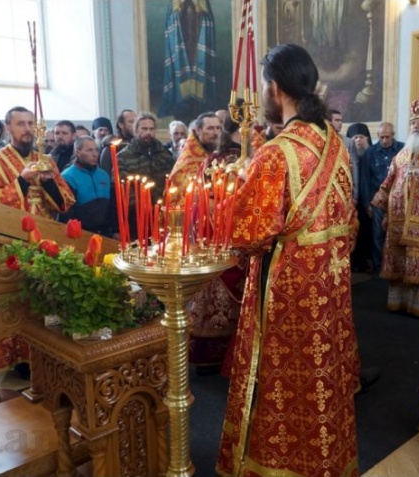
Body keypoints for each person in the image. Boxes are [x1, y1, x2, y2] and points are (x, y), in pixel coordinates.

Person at [217, 43, 359, 477]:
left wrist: (236, 194)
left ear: (275, 88)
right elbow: (350, 221)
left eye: (264, 85)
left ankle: (274, 465)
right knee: (322, 379)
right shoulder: (335, 145)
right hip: (331, 284)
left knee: (282, 381)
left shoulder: (276, 153)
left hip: (286, 289)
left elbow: (248, 235)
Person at [0, 106, 76, 373]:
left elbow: (66, 202)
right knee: (18, 300)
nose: (27, 129)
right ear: (8, 128)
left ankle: (52, 353)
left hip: (46, 241)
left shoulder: (46, 161)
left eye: (31, 123)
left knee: (48, 297)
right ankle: (22, 359)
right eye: (20, 123)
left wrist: (48, 182)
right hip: (13, 242)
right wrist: (21, 181)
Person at [168, 110, 245, 375]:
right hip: (229, 236)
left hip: (222, 237)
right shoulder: (228, 161)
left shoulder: (218, 159)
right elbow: (205, 201)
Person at [370, 98, 419, 317]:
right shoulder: (404, 152)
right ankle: (399, 302)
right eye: (413, 122)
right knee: (399, 260)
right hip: (398, 216)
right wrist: (382, 207)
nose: (415, 126)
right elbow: (390, 179)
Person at [114, 112, 175, 238]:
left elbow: (173, 180)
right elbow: (120, 186)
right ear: (136, 130)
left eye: (151, 129)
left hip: (162, 213)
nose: (148, 132)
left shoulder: (165, 154)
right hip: (136, 217)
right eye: (144, 129)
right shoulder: (124, 156)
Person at [158, 0, 217, 123]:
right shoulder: (174, 2)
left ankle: (199, 105)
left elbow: (207, 19)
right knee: (181, 69)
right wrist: (180, 8)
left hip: (197, 41)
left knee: (198, 68)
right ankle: (182, 105)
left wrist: (198, 9)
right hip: (181, 42)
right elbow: (171, 20)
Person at [359, 122, 403, 276]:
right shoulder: (370, 153)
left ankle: (395, 268)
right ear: (377, 136)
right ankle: (378, 268)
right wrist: (366, 204)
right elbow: (365, 179)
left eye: (387, 137)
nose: (384, 140)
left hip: (397, 200)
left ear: (393, 135)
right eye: (381, 137)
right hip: (377, 200)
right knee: (378, 234)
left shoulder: (402, 149)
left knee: (396, 233)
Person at [60, 136, 112, 236]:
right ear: (77, 152)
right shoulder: (68, 177)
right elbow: (67, 212)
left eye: (96, 150)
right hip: (82, 232)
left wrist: (115, 229)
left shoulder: (103, 175)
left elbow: (112, 205)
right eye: (89, 150)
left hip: (106, 231)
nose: (95, 154)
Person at [168, 111, 221, 191]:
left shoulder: (220, 153)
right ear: (198, 130)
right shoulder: (188, 162)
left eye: (218, 128)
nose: (216, 133)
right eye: (210, 128)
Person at [346, 122, 372, 271]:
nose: (358, 140)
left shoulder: (372, 154)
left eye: (361, 137)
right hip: (353, 200)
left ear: (367, 139)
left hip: (369, 200)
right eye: (355, 137)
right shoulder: (347, 154)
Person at [99, 109, 136, 176]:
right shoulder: (112, 147)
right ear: (121, 125)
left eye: (136, 122)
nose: (135, 125)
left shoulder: (140, 144)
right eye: (131, 122)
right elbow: (106, 174)